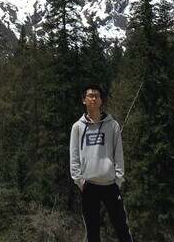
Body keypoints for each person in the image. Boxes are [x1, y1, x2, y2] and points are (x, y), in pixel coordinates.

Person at [69, 85, 133, 242]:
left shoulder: (113, 125)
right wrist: (79, 181)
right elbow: (74, 156)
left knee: (121, 227)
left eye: (97, 96)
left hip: (110, 184)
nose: (93, 98)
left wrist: (118, 179)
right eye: (90, 96)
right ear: (84, 100)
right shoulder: (78, 127)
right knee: (92, 231)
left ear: (101, 100)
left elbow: (118, 154)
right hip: (89, 184)